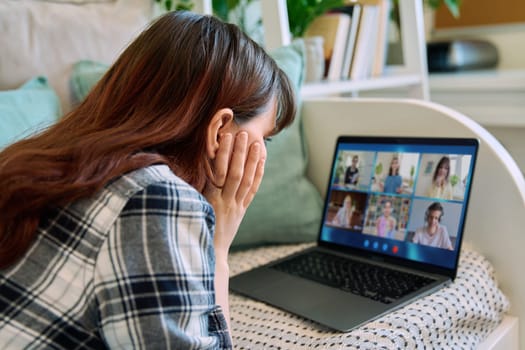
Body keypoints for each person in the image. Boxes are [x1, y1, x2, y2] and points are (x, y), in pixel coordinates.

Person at [0, 11, 296, 349]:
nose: (264, 155)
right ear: (219, 132)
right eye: (265, 138)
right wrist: (220, 248)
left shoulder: (49, 162)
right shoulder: (156, 199)